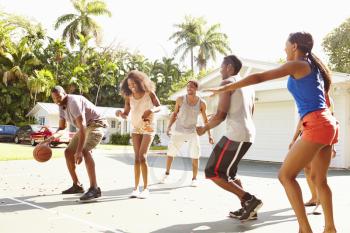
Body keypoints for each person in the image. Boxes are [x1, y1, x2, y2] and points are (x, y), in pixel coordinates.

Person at [205, 32, 338, 233]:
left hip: (317, 123)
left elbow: (259, 77)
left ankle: (305, 229)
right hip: (327, 124)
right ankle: (330, 228)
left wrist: (227, 87)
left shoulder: (298, 64)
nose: (284, 48)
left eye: (286, 45)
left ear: (294, 46)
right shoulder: (313, 67)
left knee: (286, 176)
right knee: (320, 181)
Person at [196, 55, 262, 222]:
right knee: (230, 173)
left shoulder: (227, 83)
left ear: (229, 67)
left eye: (221, 67)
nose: (219, 70)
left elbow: (221, 115)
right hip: (246, 133)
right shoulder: (248, 86)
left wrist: (204, 128)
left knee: (212, 171)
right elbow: (248, 112)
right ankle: (248, 209)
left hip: (235, 135)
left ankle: (250, 200)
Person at [47, 86, 107, 201]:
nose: (57, 100)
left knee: (85, 151)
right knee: (68, 152)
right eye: (54, 99)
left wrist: (79, 151)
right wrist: (49, 139)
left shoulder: (73, 102)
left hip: (96, 124)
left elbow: (83, 126)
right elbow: (62, 128)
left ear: (65, 93)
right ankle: (77, 185)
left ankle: (94, 189)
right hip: (85, 128)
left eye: (59, 97)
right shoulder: (61, 107)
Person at [160, 80, 214, 187]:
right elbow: (174, 114)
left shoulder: (202, 103)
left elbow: (205, 121)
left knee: (195, 154)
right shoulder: (180, 99)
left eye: (192, 87)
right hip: (179, 130)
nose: (189, 88)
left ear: (196, 89)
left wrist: (209, 135)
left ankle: (194, 178)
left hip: (192, 131)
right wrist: (169, 127)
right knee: (170, 153)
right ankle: (166, 174)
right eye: (188, 87)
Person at [117, 70, 161, 199]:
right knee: (137, 158)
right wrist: (120, 113)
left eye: (134, 84)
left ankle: (146, 188)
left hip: (148, 127)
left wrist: (151, 110)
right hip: (136, 128)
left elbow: (159, 107)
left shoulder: (149, 93)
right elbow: (126, 114)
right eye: (129, 85)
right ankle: (136, 188)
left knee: (142, 156)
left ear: (140, 82)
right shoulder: (129, 96)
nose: (132, 87)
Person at [289, 96, 336, 213]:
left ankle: (320, 202)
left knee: (318, 174)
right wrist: (294, 139)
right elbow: (301, 120)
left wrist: (332, 146)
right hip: (307, 134)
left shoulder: (323, 96)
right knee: (307, 168)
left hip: (318, 135)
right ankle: (314, 197)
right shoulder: (307, 95)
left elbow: (331, 118)